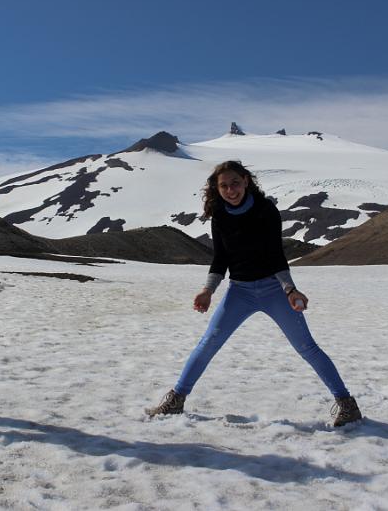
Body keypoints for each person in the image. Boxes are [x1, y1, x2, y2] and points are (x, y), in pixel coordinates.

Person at [146, 160, 362, 427]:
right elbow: (221, 258)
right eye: (224, 186)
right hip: (239, 292)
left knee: (307, 347)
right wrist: (208, 290)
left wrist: (290, 289)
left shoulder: (265, 209)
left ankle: (347, 405)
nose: (230, 190)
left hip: (273, 290)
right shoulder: (220, 215)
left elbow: (275, 254)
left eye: (235, 183)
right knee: (208, 343)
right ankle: (176, 400)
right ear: (217, 189)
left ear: (246, 181)